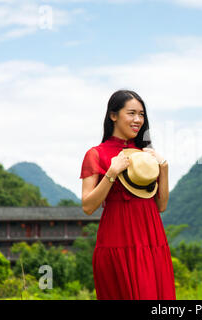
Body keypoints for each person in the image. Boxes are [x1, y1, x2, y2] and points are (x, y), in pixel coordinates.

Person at [80, 89, 176, 300]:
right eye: (131, 113)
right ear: (113, 115)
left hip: (151, 238)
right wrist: (112, 174)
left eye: (141, 114)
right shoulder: (96, 154)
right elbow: (87, 206)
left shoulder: (146, 156)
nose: (138, 120)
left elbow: (161, 206)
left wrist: (164, 168)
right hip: (117, 238)